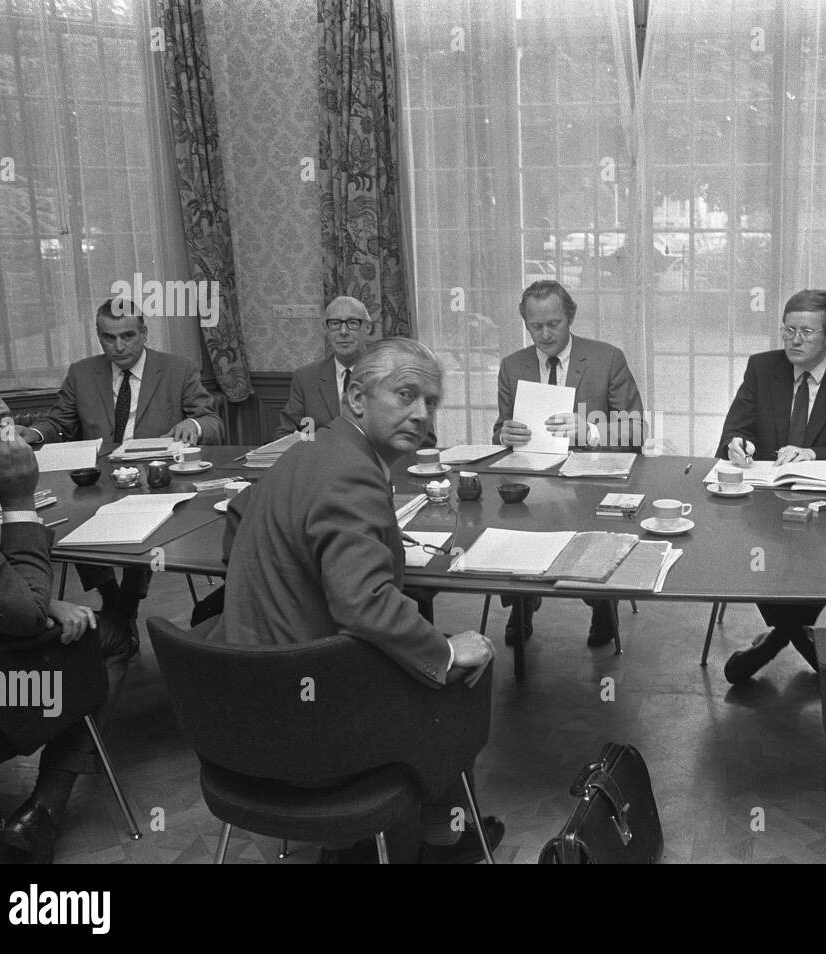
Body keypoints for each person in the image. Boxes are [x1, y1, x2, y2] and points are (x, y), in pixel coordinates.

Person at [211, 337, 502, 863]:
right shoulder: (353, 472)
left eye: (431, 402)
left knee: (416, 650)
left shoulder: (308, 452)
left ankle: (377, 841)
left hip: (242, 705)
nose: (422, 414)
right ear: (356, 399)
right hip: (309, 722)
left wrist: (300, 578)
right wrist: (447, 652)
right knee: (464, 671)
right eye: (407, 394)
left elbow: (237, 520)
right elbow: (364, 605)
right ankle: (445, 840)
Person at [0, 340, 123, 862]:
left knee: (64, 628)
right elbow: (26, 617)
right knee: (107, 638)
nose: (2, 409)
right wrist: (18, 503)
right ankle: (44, 809)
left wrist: (29, 600)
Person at [18, 297, 225, 648]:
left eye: (127, 335)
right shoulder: (82, 373)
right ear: (99, 337)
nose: (119, 346)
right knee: (69, 523)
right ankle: (112, 595)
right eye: (108, 338)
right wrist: (34, 434)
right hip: (99, 483)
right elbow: (57, 422)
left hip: (158, 482)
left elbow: (212, 421)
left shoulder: (178, 368)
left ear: (144, 333)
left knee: (145, 523)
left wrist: (193, 423)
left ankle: (125, 600)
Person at [717, 290, 826, 684]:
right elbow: (733, 432)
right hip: (763, 507)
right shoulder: (762, 368)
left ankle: (777, 638)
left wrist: (814, 454)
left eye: (806, 332)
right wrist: (738, 444)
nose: (794, 340)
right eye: (788, 330)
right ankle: (797, 635)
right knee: (752, 552)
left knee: (815, 554)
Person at [492, 280, 646, 648]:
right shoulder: (513, 365)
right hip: (535, 477)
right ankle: (522, 601)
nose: (544, 334)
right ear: (525, 323)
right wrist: (504, 434)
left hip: (593, 479)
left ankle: (599, 604)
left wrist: (590, 429)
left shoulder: (607, 358)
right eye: (535, 326)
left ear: (570, 317)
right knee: (512, 525)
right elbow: (500, 427)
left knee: (589, 529)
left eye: (554, 324)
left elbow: (637, 429)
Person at [274, 296, 375, 438]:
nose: (343, 331)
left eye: (353, 323)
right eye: (335, 324)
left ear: (368, 327)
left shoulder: (387, 373)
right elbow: (286, 432)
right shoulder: (306, 378)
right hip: (320, 457)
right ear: (325, 328)